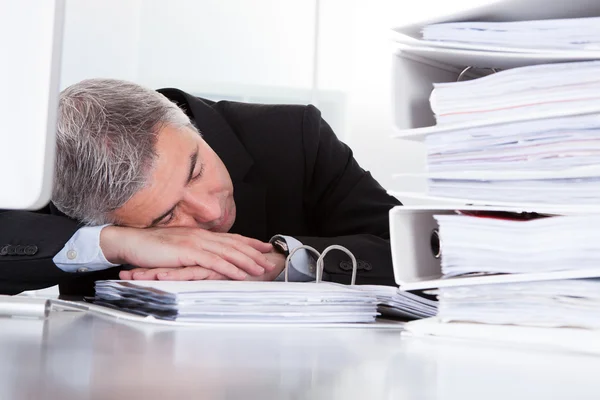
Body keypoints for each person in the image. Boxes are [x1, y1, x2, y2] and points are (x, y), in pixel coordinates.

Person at [0, 79, 401, 296]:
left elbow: (418, 252)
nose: (210, 213)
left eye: (195, 171)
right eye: (165, 217)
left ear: (187, 123)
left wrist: (285, 264)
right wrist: (115, 243)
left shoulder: (294, 136)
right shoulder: (63, 178)